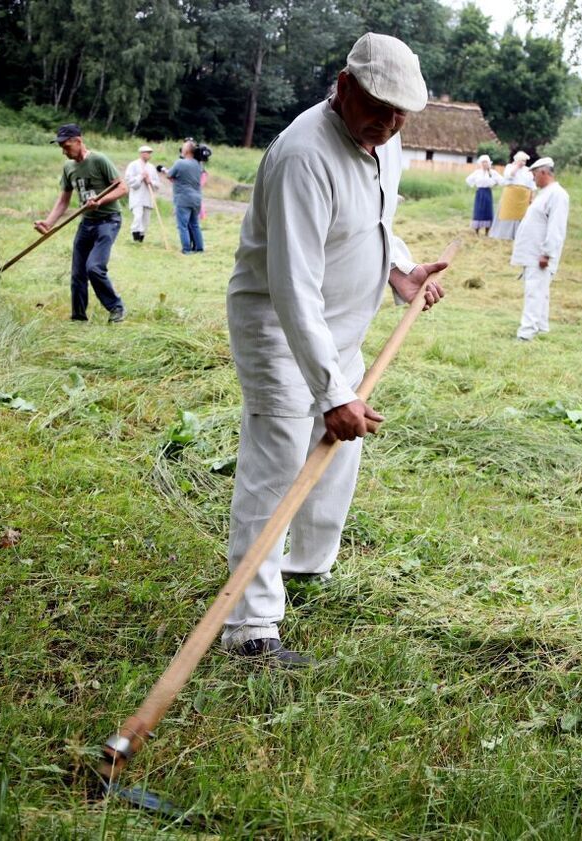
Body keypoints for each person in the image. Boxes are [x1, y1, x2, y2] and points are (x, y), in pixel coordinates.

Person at [223, 33, 446, 665]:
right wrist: (330, 391)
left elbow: (374, 220)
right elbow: (293, 286)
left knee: (337, 459)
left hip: (342, 328)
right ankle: (251, 626)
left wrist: (400, 269)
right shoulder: (304, 155)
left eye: (403, 114)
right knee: (277, 468)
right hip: (280, 329)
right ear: (343, 85)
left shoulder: (384, 138)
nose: (390, 123)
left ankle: (306, 567)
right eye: (378, 106)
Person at [35, 124, 128, 323]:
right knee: (78, 273)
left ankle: (116, 307)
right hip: (86, 223)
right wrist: (49, 223)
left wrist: (100, 202)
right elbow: (63, 200)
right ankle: (78, 317)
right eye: (61, 147)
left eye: (67, 146)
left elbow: (122, 188)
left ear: (78, 141)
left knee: (94, 267)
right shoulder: (68, 167)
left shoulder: (99, 160)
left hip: (108, 221)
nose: (64, 151)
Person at [511, 157, 569, 341]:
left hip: (540, 254)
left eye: (534, 174)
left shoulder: (558, 194)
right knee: (540, 292)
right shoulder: (544, 193)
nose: (533, 178)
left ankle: (526, 333)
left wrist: (547, 253)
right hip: (532, 252)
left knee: (534, 292)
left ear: (544, 173)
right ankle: (541, 328)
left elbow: (556, 227)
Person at [166, 140, 205, 253]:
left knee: (182, 225)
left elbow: (169, 175)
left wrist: (164, 170)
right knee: (195, 224)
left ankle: (186, 249)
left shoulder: (180, 163)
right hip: (197, 198)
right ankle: (199, 248)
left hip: (183, 198)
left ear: (187, 151)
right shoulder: (198, 165)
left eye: (183, 147)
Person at [490, 151, 534, 240]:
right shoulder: (510, 167)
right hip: (511, 194)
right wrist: (516, 166)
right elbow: (509, 176)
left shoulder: (528, 170)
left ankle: (519, 234)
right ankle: (505, 234)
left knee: (522, 215)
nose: (523, 163)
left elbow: (531, 184)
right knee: (508, 214)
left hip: (523, 195)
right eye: (521, 160)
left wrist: (532, 197)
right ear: (516, 160)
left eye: (524, 161)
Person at [123, 144, 160, 244]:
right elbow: (129, 180)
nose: (149, 155)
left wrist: (150, 181)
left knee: (146, 220)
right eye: (147, 153)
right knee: (138, 217)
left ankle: (141, 240)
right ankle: (135, 239)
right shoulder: (133, 165)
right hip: (137, 197)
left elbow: (157, 184)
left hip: (148, 197)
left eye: (150, 153)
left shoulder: (151, 167)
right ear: (142, 154)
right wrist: (140, 177)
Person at [465, 156, 502, 235]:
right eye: (483, 162)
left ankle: (487, 231)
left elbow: (501, 180)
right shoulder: (477, 172)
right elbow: (468, 180)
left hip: (488, 192)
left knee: (488, 211)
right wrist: (475, 185)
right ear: (480, 164)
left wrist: (495, 184)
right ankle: (477, 231)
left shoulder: (492, 172)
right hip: (480, 193)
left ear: (489, 163)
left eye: (486, 162)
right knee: (478, 210)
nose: (485, 164)